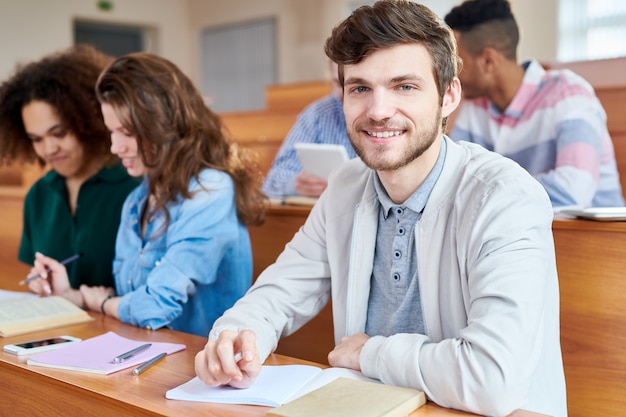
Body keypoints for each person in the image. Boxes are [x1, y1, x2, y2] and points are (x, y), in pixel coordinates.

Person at [194, 1, 567, 417]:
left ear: (449, 96)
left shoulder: (504, 197)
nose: (378, 110)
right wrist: (235, 335)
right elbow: (280, 292)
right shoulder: (346, 186)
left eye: (404, 86)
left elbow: (492, 379)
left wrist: (371, 353)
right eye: (359, 88)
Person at [29, 52, 266, 337]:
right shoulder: (137, 200)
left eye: (127, 132)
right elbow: (132, 298)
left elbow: (154, 307)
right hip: (146, 353)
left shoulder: (210, 191)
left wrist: (103, 303)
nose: (115, 147)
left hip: (201, 364)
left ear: (165, 124)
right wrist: (73, 295)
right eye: (111, 131)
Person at [445, 0, 624, 208]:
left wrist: (486, 192)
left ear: (488, 61)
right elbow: (453, 181)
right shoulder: (475, 107)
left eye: (457, 63)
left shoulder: (570, 95)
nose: (451, 75)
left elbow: (572, 191)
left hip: (597, 236)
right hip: (524, 233)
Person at [0, 44, 140, 290]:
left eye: (59, 133)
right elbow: (35, 272)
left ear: (89, 121)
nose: (49, 149)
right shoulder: (39, 195)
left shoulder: (134, 187)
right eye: (36, 139)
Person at [262, 61, 358, 198]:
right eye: (338, 83)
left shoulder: (385, 114)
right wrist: (297, 184)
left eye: (357, 87)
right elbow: (272, 183)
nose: (345, 93)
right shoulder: (317, 114)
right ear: (329, 79)